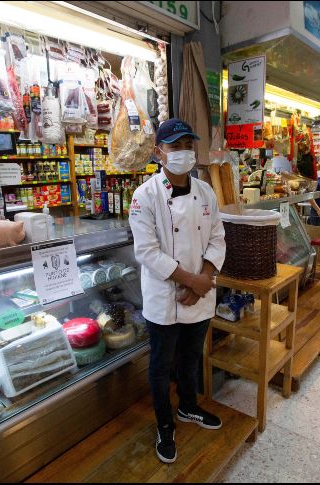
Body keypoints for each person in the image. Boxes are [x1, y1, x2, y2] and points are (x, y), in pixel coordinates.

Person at [128, 118, 226, 464]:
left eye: (188, 145)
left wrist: (203, 281)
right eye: (176, 146)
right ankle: (164, 424)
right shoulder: (144, 197)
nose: (184, 152)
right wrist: (190, 280)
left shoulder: (206, 192)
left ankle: (187, 407)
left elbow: (218, 238)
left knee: (190, 357)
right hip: (164, 298)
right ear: (159, 152)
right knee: (160, 365)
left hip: (199, 292)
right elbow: (147, 252)